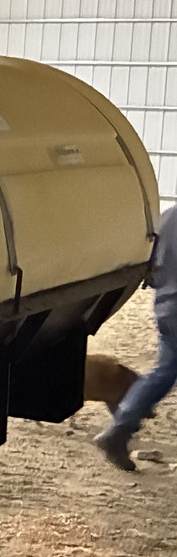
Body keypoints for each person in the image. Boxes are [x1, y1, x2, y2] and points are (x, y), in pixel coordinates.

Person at [94, 200, 177, 471]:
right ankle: (119, 429)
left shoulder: (166, 218)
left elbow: (148, 266)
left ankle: (121, 427)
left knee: (165, 370)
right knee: (165, 372)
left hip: (166, 306)